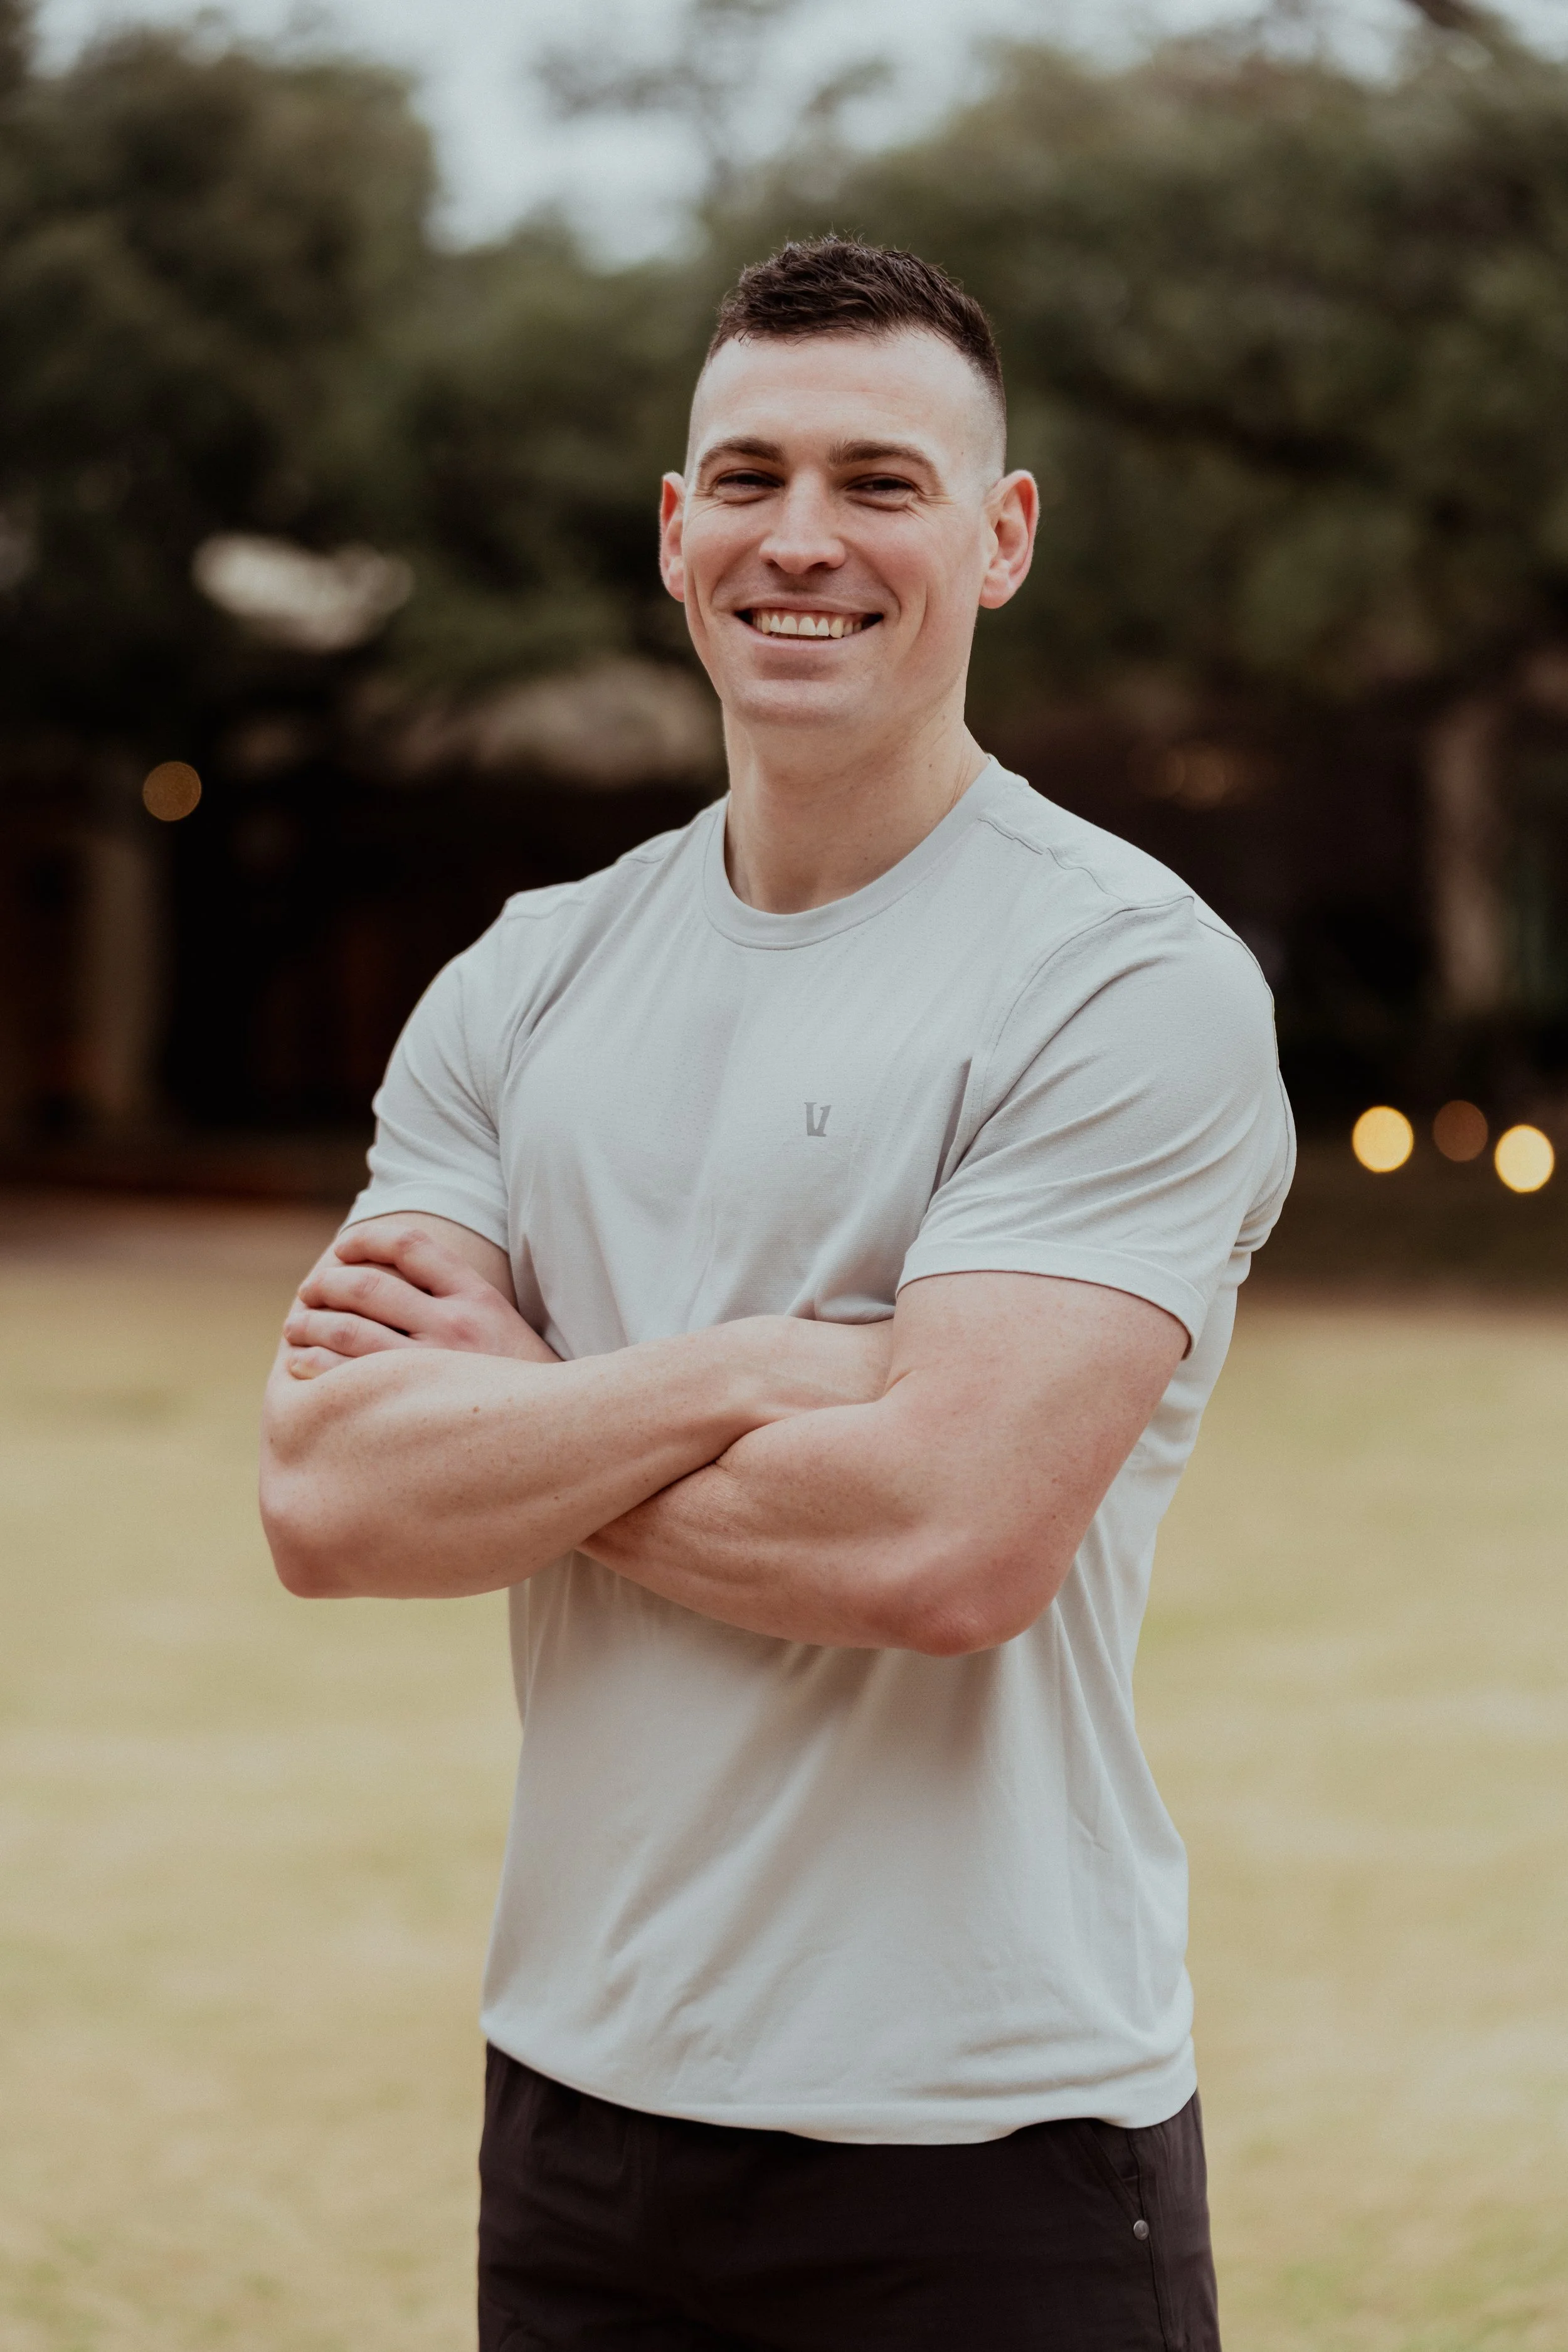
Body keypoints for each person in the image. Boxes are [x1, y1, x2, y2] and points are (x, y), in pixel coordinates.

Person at [260, 236, 1293, 2351]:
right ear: (673, 529)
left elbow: (940, 1541)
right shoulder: (529, 973)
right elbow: (336, 1507)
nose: (798, 540)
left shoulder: (1118, 978)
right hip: (576, 2109)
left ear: (998, 539)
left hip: (980, 2144)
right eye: (747, 477)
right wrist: (753, 1369)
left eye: (879, 482)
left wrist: (526, 1422)